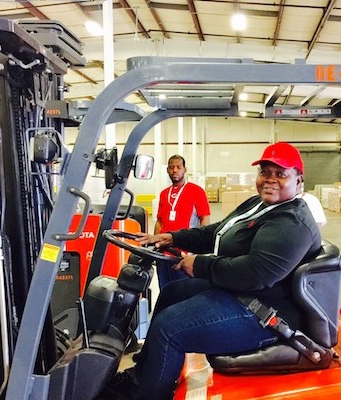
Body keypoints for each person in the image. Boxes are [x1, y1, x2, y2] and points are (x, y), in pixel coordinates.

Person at [130, 142, 322, 400]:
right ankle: (141, 376)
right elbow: (217, 232)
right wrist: (172, 238)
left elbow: (256, 273)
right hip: (241, 293)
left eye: (280, 174)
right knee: (171, 293)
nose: (270, 180)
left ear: (298, 180)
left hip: (265, 312)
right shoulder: (260, 205)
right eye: (265, 172)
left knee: (169, 329)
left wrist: (199, 264)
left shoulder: (291, 221)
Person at [154, 155, 211, 288]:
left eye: (178, 167)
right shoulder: (164, 194)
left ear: (185, 169)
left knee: (182, 295)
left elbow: (205, 220)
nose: (175, 170)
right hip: (163, 254)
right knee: (165, 292)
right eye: (171, 167)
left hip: (183, 255)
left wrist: (198, 252)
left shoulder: (196, 191)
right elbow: (159, 221)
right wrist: (154, 244)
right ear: (167, 170)